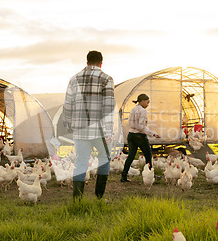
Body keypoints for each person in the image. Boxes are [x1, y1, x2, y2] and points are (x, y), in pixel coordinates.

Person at [62, 50, 115, 200]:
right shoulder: (106, 79)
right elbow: (108, 107)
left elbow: (67, 104)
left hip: (80, 130)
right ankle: (99, 197)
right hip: (99, 131)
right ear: (101, 63)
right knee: (104, 159)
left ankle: (77, 200)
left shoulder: (74, 79)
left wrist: (68, 125)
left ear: (87, 62)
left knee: (80, 163)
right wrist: (109, 131)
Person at [121, 94, 160, 182]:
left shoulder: (133, 109)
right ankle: (150, 175)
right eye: (147, 102)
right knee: (148, 155)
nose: (147, 105)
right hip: (140, 136)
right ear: (142, 101)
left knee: (131, 156)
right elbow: (142, 126)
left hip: (131, 135)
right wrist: (153, 134)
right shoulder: (142, 111)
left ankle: (124, 175)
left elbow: (131, 124)